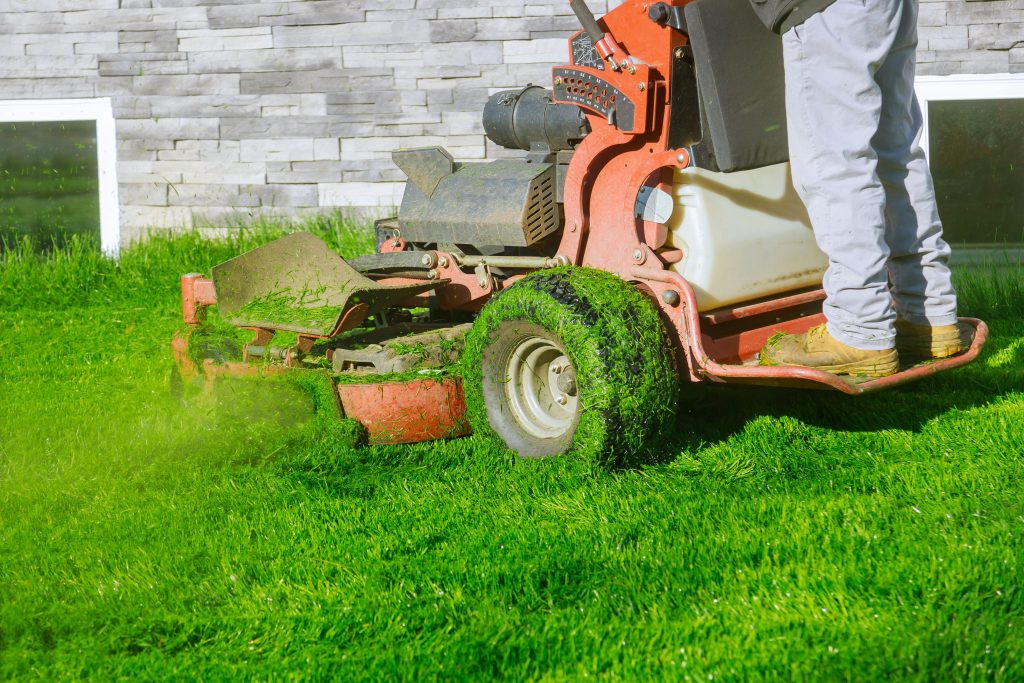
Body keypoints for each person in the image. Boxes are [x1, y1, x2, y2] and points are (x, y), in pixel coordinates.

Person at [751, 0, 964, 377]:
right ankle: (926, 313)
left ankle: (860, 329)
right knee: (896, 153)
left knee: (835, 164)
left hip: (824, 9)